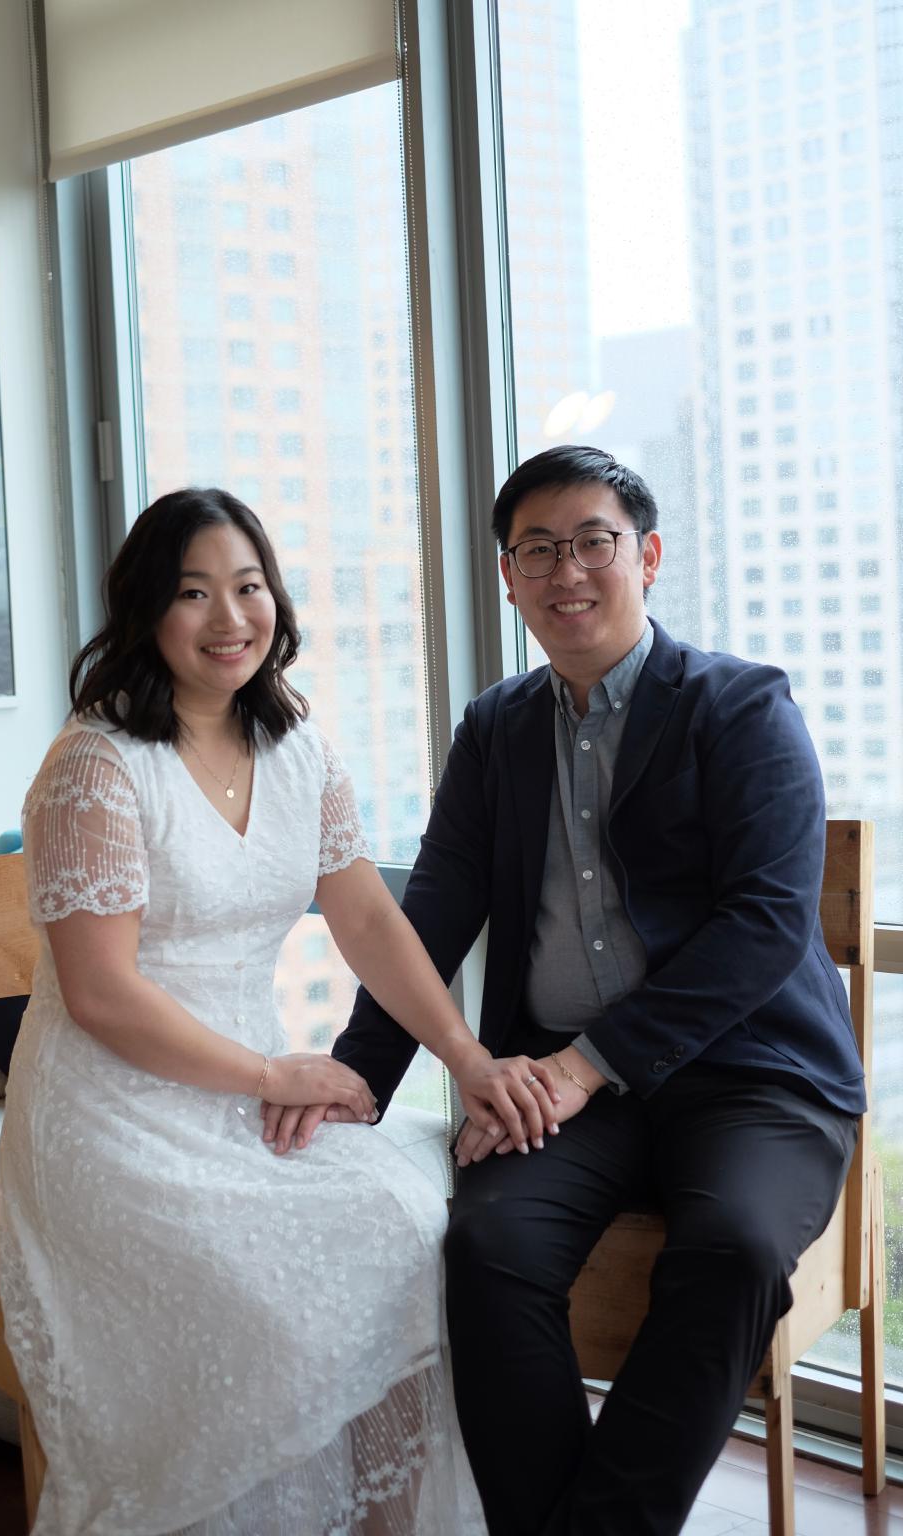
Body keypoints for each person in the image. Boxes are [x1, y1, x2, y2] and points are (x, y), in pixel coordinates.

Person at [317, 446, 866, 1535]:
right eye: (537, 550)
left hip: (753, 1079)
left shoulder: (741, 706)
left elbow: (764, 924)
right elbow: (433, 913)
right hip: (565, 1090)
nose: (566, 571)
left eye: (592, 542)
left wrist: (584, 1065)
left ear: (646, 557)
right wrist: (358, 1079)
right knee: (488, 1251)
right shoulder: (496, 730)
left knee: (735, 1249)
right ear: (509, 577)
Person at [0, 486, 558, 1536]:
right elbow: (101, 994)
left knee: (407, 1227)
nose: (229, 618)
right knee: (273, 1298)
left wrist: (466, 1057)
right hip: (112, 1117)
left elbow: (369, 920)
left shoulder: (296, 745)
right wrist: (274, 1074)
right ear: (145, 610)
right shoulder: (96, 766)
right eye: (193, 593)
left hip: (246, 1091)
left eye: (248, 587)